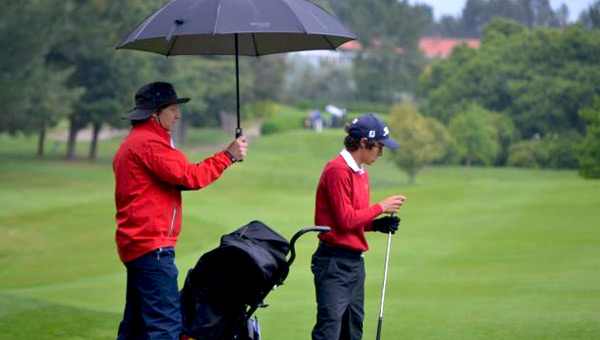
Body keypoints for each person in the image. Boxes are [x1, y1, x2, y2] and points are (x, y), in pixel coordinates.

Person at [113, 81, 247, 340]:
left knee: (136, 326)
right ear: (155, 113)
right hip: (152, 247)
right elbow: (190, 176)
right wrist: (228, 156)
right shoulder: (149, 144)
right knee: (165, 326)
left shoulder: (138, 141)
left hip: (140, 245)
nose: (178, 114)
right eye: (173, 108)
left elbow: (176, 178)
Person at [311, 114, 406, 340]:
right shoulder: (338, 170)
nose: (380, 153)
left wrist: (375, 225)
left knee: (353, 332)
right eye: (379, 147)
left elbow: (352, 220)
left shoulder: (360, 172)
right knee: (329, 333)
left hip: (354, 264)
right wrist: (380, 207)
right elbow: (345, 220)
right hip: (333, 264)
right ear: (364, 142)